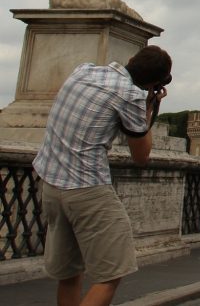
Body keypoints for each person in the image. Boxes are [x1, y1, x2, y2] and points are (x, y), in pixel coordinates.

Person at [33, 45, 170, 306]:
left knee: (70, 274)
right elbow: (141, 156)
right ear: (154, 82)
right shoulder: (130, 95)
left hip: (51, 184)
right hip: (88, 189)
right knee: (111, 274)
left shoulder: (83, 70)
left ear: (131, 59)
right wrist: (149, 109)